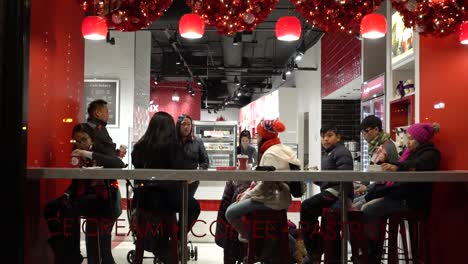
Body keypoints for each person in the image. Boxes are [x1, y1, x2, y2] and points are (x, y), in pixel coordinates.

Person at [44, 123, 124, 264]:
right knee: (51, 207)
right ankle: (60, 244)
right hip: (82, 197)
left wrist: (87, 153)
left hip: (102, 198)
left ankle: (70, 252)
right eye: (77, 141)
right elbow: (76, 182)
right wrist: (67, 194)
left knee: (71, 210)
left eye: (84, 140)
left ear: (92, 139)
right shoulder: (74, 154)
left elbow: (118, 163)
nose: (80, 144)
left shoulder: (100, 150)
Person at [225, 119, 304, 263]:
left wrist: (246, 195)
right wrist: (250, 190)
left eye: (259, 135)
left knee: (230, 212)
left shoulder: (269, 154)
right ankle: (294, 246)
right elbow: (265, 180)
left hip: (271, 201)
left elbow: (265, 187)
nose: (257, 138)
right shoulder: (283, 149)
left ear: (265, 136)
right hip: (283, 200)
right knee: (277, 228)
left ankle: (257, 245)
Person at [361, 122, 441, 264]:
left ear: (421, 139)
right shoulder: (409, 153)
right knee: (361, 203)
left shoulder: (431, 154)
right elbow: (403, 166)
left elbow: (416, 166)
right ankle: (368, 251)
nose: (407, 142)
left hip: (411, 200)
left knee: (367, 208)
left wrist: (395, 167)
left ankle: (372, 254)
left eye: (410, 139)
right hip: (399, 195)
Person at [131, 111, 201, 263]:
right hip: (168, 199)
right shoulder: (172, 147)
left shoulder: (139, 147)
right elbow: (184, 168)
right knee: (194, 207)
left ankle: (162, 245)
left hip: (143, 199)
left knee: (161, 215)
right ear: (170, 128)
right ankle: (175, 239)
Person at [300, 124, 354, 264]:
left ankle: (314, 251)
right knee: (329, 226)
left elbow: (345, 177)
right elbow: (329, 180)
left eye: (329, 136)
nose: (325, 139)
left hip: (337, 194)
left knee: (306, 206)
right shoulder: (331, 152)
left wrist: (343, 200)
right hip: (334, 192)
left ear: (338, 137)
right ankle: (324, 252)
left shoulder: (341, 152)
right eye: (323, 136)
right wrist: (315, 177)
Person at [353, 115, 399, 208]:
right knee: (352, 201)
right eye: (362, 133)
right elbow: (372, 169)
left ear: (376, 129)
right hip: (379, 189)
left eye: (365, 132)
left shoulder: (387, 147)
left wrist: (367, 187)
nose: (364, 136)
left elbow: (392, 177)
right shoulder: (376, 146)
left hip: (387, 192)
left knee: (355, 206)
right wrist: (363, 184)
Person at [176, 114, 209, 196]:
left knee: (188, 204)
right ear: (178, 125)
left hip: (192, 183)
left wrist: (196, 176)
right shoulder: (172, 140)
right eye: (183, 124)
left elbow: (205, 162)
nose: (186, 127)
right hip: (174, 182)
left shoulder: (197, 141)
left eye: (189, 124)